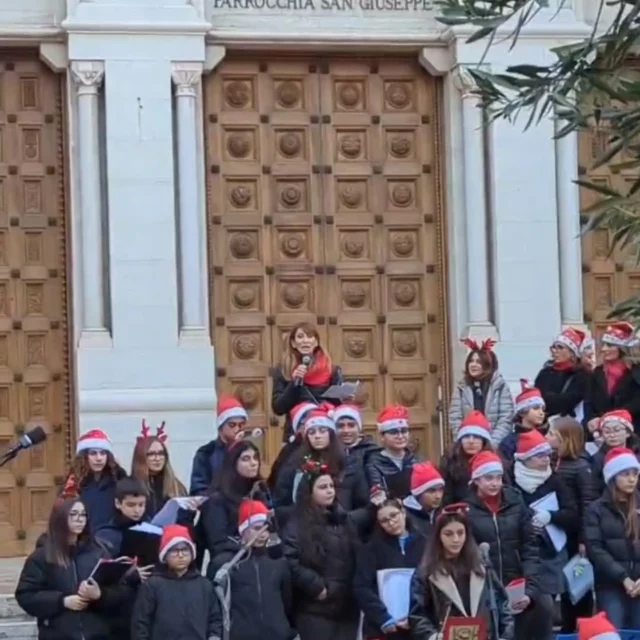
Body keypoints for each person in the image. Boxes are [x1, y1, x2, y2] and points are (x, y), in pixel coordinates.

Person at [464, 451, 552, 640]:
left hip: (517, 582)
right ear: (476, 480)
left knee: (542, 609)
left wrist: (530, 590)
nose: (495, 483)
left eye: (498, 477)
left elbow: (529, 548)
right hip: (486, 587)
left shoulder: (516, 503)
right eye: (488, 478)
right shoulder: (466, 510)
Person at [15, 498, 130, 640]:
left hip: (97, 633)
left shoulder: (98, 552)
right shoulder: (43, 556)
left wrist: (100, 595)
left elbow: (121, 591)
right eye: (73, 514)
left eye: (83, 515)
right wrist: (62, 601)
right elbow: (26, 595)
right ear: (61, 518)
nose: (79, 519)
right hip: (58, 634)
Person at [408, 503, 513, 640]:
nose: (456, 539)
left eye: (460, 533)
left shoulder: (482, 566)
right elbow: (417, 616)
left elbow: (502, 604)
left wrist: (505, 636)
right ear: (438, 537)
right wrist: (434, 636)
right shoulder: (426, 572)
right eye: (448, 534)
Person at [283, 460, 359, 640]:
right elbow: (290, 560)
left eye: (332, 486)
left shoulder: (343, 520)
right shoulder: (297, 523)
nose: (330, 490)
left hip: (347, 607)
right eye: (323, 487)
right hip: (314, 609)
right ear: (309, 492)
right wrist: (316, 587)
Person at [273, 407, 370, 532]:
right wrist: (303, 515)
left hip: (343, 532)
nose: (317, 436)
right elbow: (280, 504)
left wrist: (346, 519)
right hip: (306, 532)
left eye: (322, 431)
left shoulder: (349, 463)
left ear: (331, 433)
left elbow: (364, 506)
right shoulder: (295, 463)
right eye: (312, 432)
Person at [209, 501, 295, 640]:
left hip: (277, 635)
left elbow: (287, 602)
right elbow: (215, 606)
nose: (262, 534)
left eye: (266, 529)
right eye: (256, 528)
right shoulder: (226, 563)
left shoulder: (278, 563)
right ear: (243, 529)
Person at [510, 430, 576, 604]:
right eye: (540, 456)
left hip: (551, 550)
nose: (546, 459)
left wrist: (551, 516)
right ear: (525, 459)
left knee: (547, 602)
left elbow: (571, 513)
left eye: (548, 455)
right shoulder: (510, 481)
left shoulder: (555, 480)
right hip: (523, 551)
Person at [546, 416, 597, 632]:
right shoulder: (554, 461)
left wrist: (585, 539)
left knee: (578, 587)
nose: (546, 438)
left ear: (565, 439)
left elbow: (587, 504)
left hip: (576, 536)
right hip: (559, 534)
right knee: (565, 586)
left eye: (551, 435)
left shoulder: (580, 466)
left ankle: (580, 629)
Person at [584, 447, 640, 629]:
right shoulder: (596, 510)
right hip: (610, 584)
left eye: (635, 473)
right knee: (614, 630)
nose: (632, 479)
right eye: (625, 474)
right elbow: (595, 549)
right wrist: (623, 578)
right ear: (613, 477)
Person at [354, 499, 426, 640]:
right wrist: (383, 618)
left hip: (418, 626)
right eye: (384, 521)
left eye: (394, 516)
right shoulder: (371, 549)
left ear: (403, 512)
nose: (391, 523)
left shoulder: (425, 544)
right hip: (383, 627)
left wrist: (417, 617)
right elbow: (362, 587)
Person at [131, 524, 217, 640]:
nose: (180, 555)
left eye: (185, 550)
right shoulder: (152, 585)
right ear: (165, 556)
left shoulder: (204, 585)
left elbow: (215, 619)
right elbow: (140, 623)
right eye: (174, 551)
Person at [200, 440, 271, 565]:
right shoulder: (217, 499)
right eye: (246, 459)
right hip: (231, 563)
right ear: (233, 463)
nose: (253, 463)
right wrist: (248, 546)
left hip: (261, 561)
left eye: (255, 458)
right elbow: (218, 543)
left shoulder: (259, 492)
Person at [271, 322, 344, 442]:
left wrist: (344, 398)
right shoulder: (283, 370)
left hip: (326, 432)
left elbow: (338, 405)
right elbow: (278, 408)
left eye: (309, 336)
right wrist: (294, 383)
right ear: (293, 343)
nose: (305, 341)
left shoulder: (332, 370)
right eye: (300, 337)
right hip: (296, 435)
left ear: (316, 342)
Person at [58, 429, 127, 534]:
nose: (99, 458)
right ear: (84, 457)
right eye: (93, 453)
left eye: (103, 453)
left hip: (112, 539)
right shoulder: (72, 485)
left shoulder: (119, 480)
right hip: (83, 540)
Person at [448, 337, 514, 446]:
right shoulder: (461, 387)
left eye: (478, 362)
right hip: (468, 444)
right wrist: (465, 440)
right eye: (471, 361)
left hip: (494, 445)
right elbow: (455, 417)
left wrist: (491, 444)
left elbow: (506, 418)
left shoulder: (500, 386)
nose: (473, 365)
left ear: (487, 365)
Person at [586, 321, 640, 434]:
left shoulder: (636, 372)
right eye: (603, 344)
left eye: (609, 345)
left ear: (622, 348)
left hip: (632, 432)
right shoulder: (598, 372)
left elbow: (636, 403)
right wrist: (592, 419)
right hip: (601, 432)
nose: (603, 349)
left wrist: (610, 418)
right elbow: (589, 401)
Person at [189, 396, 249, 496]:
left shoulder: (246, 451)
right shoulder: (206, 453)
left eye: (241, 425)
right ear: (221, 426)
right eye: (232, 425)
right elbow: (198, 489)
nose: (237, 429)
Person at [130, 420, 190, 519]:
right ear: (141, 457)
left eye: (161, 453)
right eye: (151, 454)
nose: (157, 458)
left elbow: (187, 520)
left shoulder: (176, 487)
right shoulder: (131, 486)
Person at [439, 410, 495, 504]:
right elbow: (446, 496)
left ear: (484, 441)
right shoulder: (451, 460)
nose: (471, 441)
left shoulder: (494, 462)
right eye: (466, 436)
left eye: (476, 437)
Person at [534, 327, 590, 419]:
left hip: (569, 423)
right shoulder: (545, 372)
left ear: (572, 353)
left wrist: (549, 398)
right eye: (554, 347)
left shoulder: (582, 375)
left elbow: (570, 400)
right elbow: (538, 398)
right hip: (545, 421)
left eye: (560, 347)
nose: (555, 351)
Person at [365, 405, 417, 494]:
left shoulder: (414, 460)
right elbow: (378, 493)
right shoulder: (374, 462)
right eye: (394, 432)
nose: (400, 436)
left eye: (404, 431)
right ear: (382, 436)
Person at [589, 409, 640, 495]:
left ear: (628, 433)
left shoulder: (637, 454)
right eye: (607, 431)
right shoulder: (597, 459)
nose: (612, 435)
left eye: (617, 430)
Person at [499, 380, 547, 462]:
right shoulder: (510, 442)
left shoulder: (547, 438)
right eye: (535, 408)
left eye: (543, 409)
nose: (541, 413)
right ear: (522, 412)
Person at [402, 462, 445, 538]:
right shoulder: (404, 516)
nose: (438, 496)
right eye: (431, 491)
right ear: (419, 493)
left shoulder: (443, 513)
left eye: (440, 490)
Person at [334, 404, 378, 475]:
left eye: (351, 425)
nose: (346, 430)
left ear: (359, 428)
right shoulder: (330, 453)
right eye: (341, 426)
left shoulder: (372, 452)